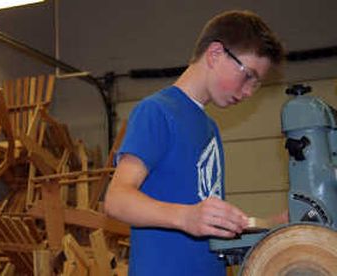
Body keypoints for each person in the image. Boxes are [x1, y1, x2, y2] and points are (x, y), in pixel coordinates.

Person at [104, 10, 284, 276]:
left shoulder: (209, 127)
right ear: (215, 54)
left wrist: (271, 227)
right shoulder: (157, 111)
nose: (248, 92)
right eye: (248, 76)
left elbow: (205, 221)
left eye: (256, 85)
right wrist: (186, 217)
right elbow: (117, 199)